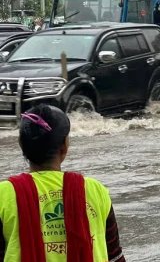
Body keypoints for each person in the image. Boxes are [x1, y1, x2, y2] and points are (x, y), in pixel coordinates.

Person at [0, 105, 125, 262]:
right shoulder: (95, 190)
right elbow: (115, 257)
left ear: (21, 144)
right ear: (65, 146)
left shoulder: (3, 194)